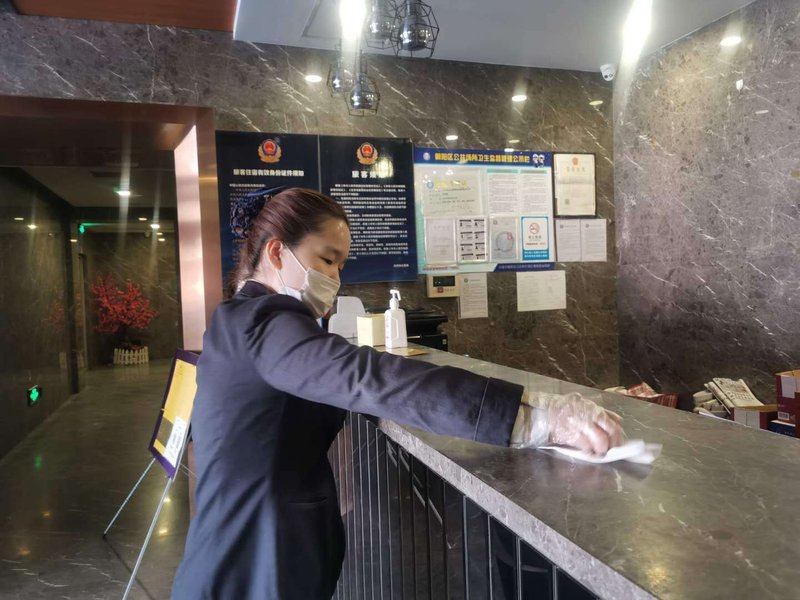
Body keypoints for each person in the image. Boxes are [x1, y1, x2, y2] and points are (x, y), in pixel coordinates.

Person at [171, 188, 623, 600]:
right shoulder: (264, 323)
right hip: (249, 567)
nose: (336, 278)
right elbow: (366, 378)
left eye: (341, 265)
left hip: (250, 556)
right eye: (327, 260)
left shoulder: (244, 318)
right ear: (276, 252)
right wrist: (533, 418)